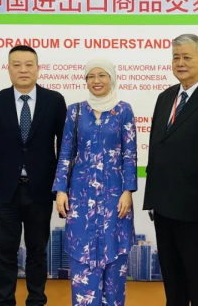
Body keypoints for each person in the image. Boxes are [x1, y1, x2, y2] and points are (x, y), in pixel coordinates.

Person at [143, 34, 198, 306]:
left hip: (197, 212)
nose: (180, 63)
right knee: (173, 278)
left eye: (187, 57)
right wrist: (152, 198)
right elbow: (158, 146)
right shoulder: (165, 97)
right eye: (176, 57)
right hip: (163, 206)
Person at [0, 45, 67, 306]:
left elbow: (64, 148)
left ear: (38, 68)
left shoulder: (54, 100)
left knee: (38, 251)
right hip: (4, 191)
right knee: (5, 252)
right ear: (8, 69)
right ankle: (4, 300)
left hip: (41, 190)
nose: (23, 70)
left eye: (29, 64)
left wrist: (61, 187)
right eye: (16, 65)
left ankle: (36, 300)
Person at [53, 58, 137, 306]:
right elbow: (65, 152)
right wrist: (60, 190)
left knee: (115, 265)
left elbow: (130, 154)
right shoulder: (75, 111)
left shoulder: (124, 110)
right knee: (82, 260)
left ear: (112, 78)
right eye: (91, 76)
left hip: (115, 197)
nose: (96, 81)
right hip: (81, 197)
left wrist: (128, 191)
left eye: (102, 75)